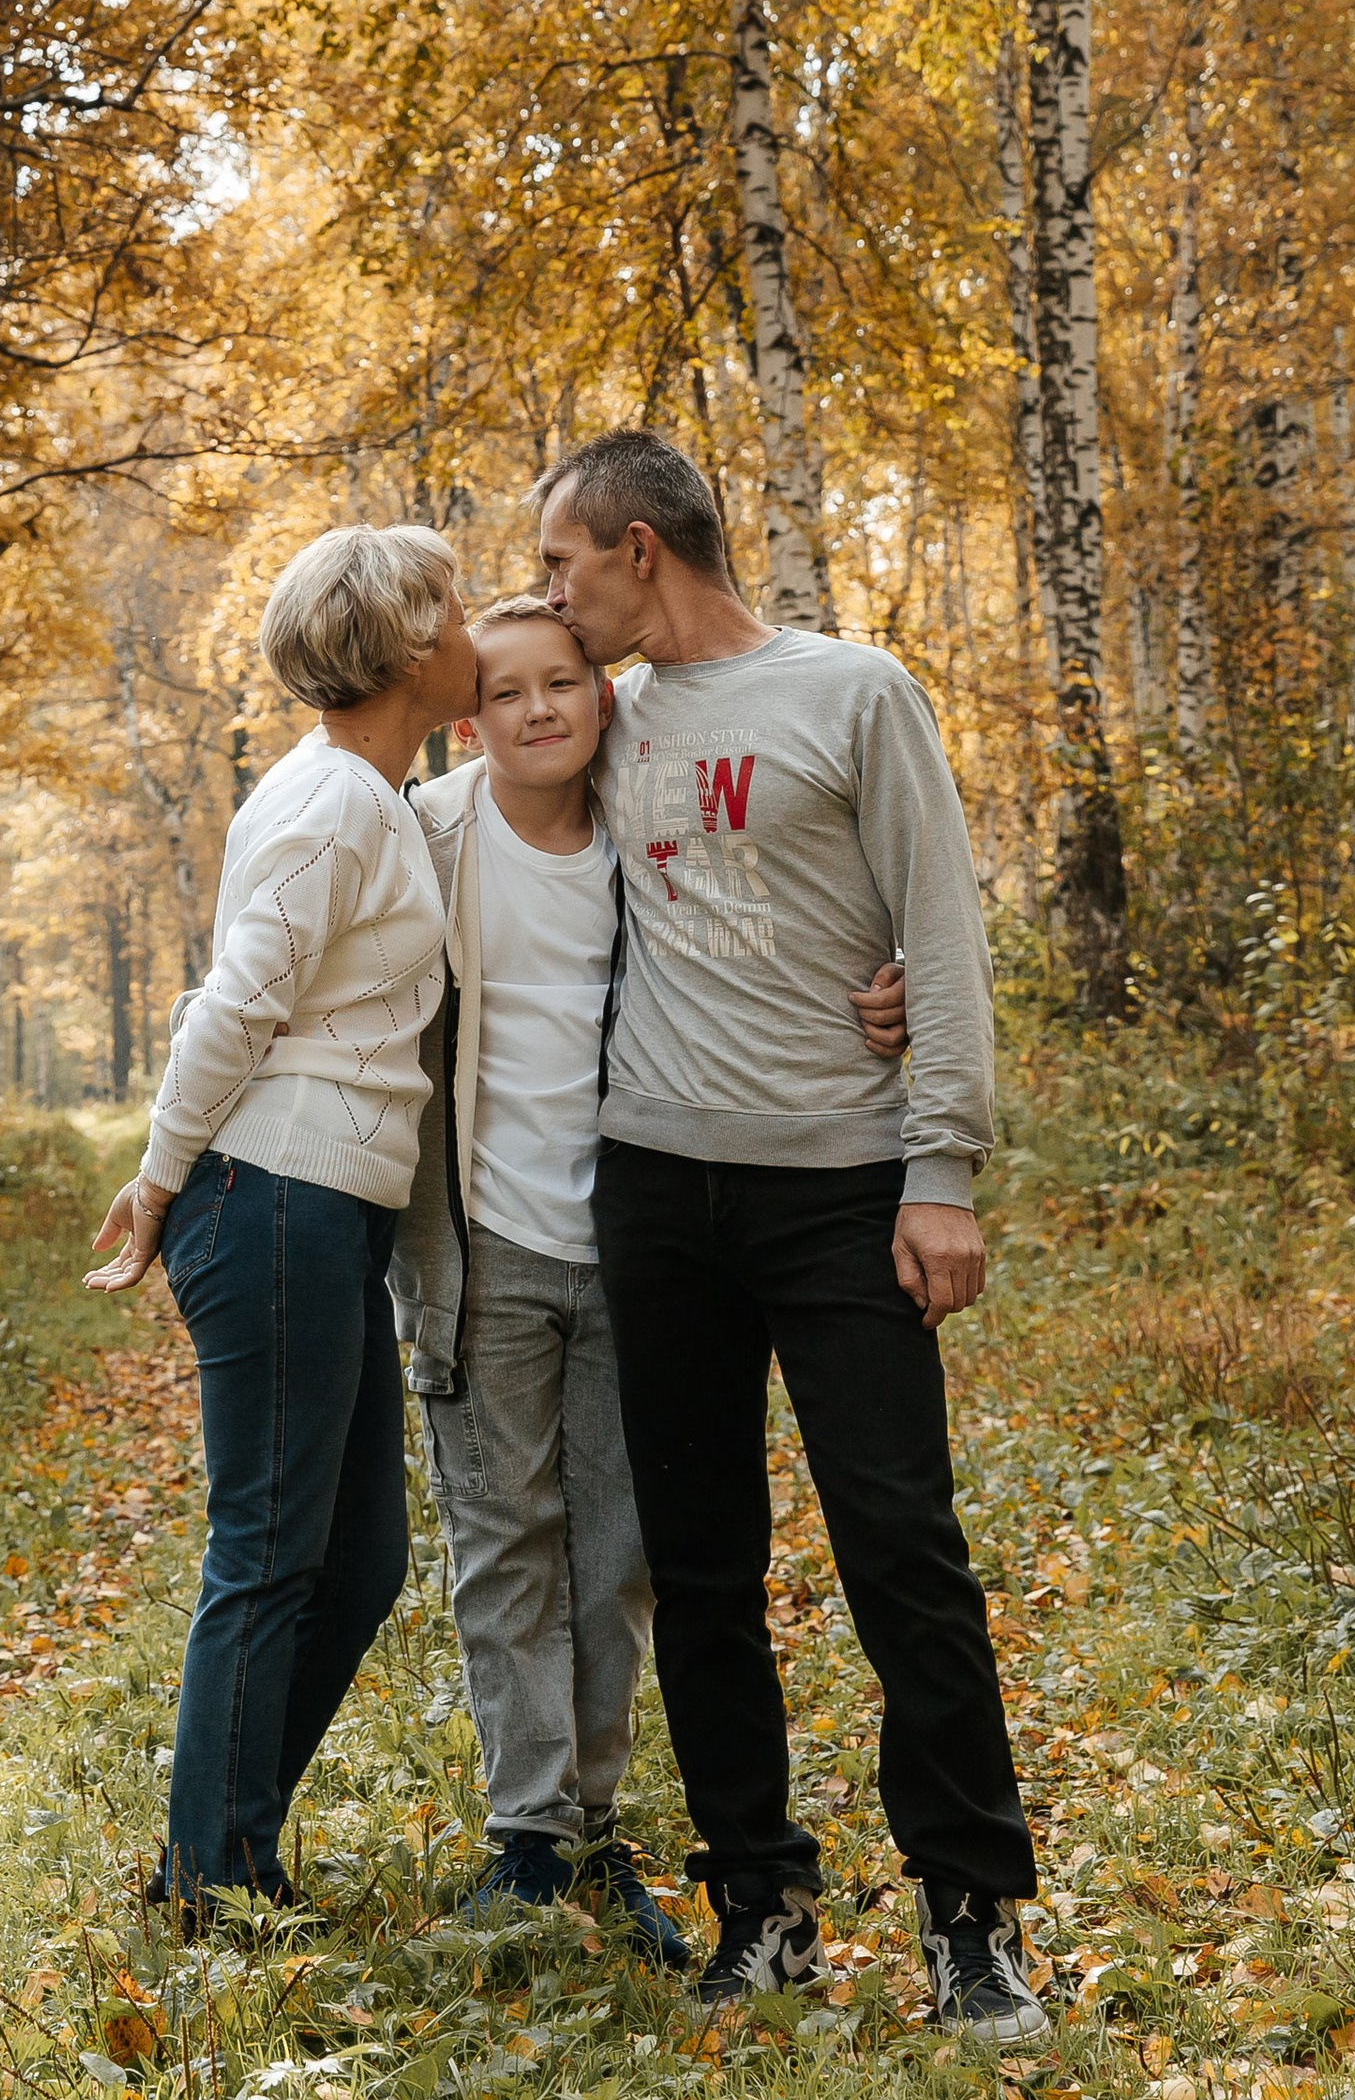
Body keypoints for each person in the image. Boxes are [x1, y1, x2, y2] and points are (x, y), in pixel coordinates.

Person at [537, 427, 1045, 2041]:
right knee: (701, 1571)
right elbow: (460, 808)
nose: (546, 596)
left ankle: (971, 1919)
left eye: (559, 562)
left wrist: (942, 1165)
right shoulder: (596, 722)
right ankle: (759, 1901)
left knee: (904, 1551)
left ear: (637, 550)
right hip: (653, 1188)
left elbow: (941, 938)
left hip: (839, 1188)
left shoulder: (854, 693)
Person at [392, 592, 908, 1974]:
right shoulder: (429, 837)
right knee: (506, 1539)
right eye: (509, 693)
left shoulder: (652, 818)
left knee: (620, 1557)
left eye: (567, 681)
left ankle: (597, 1831)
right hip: (484, 1243)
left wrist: (891, 977)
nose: (542, 708)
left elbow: (779, 920)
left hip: (641, 1240)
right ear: (469, 718)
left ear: (603, 697)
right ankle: (526, 1838)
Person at [85, 523, 477, 1918]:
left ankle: (220, 1836)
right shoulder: (333, 807)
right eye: (459, 607)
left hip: (323, 1207)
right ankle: (212, 1877)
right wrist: (160, 1170)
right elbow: (234, 1004)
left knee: (358, 1559)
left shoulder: (366, 794)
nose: (476, 628)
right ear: (412, 644)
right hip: (272, 1194)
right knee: (266, 1550)